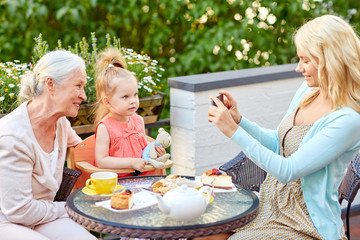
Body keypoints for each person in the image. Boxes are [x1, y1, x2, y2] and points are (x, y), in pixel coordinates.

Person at [200, 15, 360, 240]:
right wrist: (239, 120)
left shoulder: (347, 120)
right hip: (268, 204)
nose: (298, 68)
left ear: (329, 60)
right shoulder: (308, 91)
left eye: (305, 60)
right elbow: (279, 142)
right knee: (203, 232)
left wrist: (232, 132)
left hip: (303, 221)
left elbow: (288, 170)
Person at [0, 50, 97, 239]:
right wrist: (72, 206)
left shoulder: (60, 123)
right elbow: (19, 211)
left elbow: (86, 151)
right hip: (7, 221)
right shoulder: (13, 137)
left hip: (44, 216)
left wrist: (141, 151)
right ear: (50, 85)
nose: (84, 96)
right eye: (78, 85)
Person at [94, 48, 166, 177]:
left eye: (135, 94)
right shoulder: (105, 127)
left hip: (142, 179)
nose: (133, 101)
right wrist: (131, 162)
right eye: (125, 97)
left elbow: (143, 152)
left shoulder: (138, 121)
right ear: (107, 102)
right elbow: (101, 160)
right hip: (116, 184)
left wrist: (154, 151)